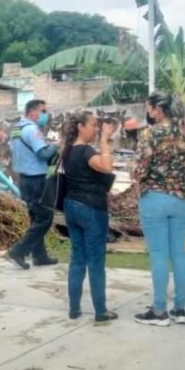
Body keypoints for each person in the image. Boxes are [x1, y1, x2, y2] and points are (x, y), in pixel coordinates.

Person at [133, 92, 185, 327]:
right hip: (181, 199)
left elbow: (140, 171)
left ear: (159, 110)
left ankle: (159, 311)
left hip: (155, 199)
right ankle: (179, 309)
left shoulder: (149, 135)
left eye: (149, 108)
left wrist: (139, 173)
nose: (148, 112)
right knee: (179, 254)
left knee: (159, 254)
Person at [61, 112, 119, 324]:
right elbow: (106, 167)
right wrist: (104, 141)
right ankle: (100, 310)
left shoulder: (67, 150)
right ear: (80, 126)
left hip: (71, 206)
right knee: (96, 261)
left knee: (77, 258)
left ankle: (74, 308)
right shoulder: (85, 151)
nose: (95, 129)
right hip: (92, 208)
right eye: (93, 125)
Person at [6, 99, 59, 270]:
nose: (45, 115)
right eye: (43, 111)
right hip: (36, 179)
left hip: (24, 179)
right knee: (45, 218)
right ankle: (17, 251)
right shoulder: (32, 129)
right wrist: (56, 146)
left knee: (36, 218)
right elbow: (43, 154)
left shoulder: (17, 129)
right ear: (32, 112)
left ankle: (39, 255)